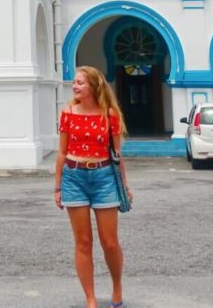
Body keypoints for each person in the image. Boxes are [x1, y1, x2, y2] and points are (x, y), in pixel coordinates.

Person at [55, 65, 132, 308]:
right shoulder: (68, 113)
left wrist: (124, 186)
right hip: (74, 177)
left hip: (104, 177)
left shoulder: (109, 115)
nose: (75, 86)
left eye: (80, 83)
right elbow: (61, 152)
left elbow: (117, 154)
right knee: (83, 242)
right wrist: (57, 187)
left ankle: (117, 287)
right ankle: (90, 299)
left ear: (94, 86)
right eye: (74, 82)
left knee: (109, 241)